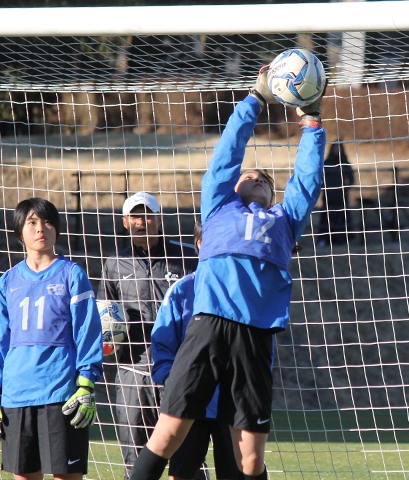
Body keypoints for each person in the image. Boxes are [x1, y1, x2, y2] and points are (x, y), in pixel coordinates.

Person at [129, 64, 327, 480]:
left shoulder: (285, 220)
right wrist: (254, 100)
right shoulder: (218, 208)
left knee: (250, 460)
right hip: (209, 326)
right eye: (247, 176)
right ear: (232, 188)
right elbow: (226, 156)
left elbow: (306, 181)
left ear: (274, 196)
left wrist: (311, 123)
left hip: (255, 336)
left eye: (264, 180)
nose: (254, 176)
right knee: (167, 435)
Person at [0, 197, 103, 480]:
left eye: (48, 222)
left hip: (61, 394)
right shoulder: (7, 282)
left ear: (56, 230)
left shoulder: (72, 275)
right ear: (19, 231)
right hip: (16, 396)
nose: (41, 229)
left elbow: (87, 331)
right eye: (32, 222)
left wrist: (85, 384)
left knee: (66, 476)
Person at [98, 191, 197, 480]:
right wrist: (110, 338)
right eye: (135, 216)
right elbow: (105, 315)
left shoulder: (187, 255)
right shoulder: (114, 263)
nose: (143, 221)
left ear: (160, 218)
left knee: (188, 460)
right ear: (125, 222)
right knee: (137, 461)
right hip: (132, 370)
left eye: (148, 214)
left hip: (180, 369)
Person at [151, 221, 243, 480]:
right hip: (190, 402)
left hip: (232, 403)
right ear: (199, 245)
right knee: (181, 474)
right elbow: (163, 345)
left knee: (238, 473)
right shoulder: (182, 290)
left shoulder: (243, 294)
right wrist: (172, 379)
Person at [317, 141, 354, 246]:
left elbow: (351, 179)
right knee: (327, 217)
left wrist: (345, 189)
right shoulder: (327, 162)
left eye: (339, 148)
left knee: (341, 217)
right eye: (335, 148)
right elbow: (321, 178)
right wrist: (325, 188)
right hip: (329, 196)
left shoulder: (345, 163)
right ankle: (324, 240)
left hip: (341, 196)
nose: (337, 150)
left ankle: (341, 239)